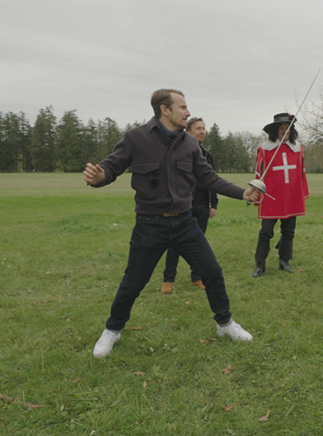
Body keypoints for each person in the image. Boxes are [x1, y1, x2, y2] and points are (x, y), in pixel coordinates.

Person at [84, 89, 260, 359]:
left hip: (185, 224)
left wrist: (243, 193)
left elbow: (209, 178)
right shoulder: (135, 138)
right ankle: (113, 330)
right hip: (149, 225)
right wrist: (98, 178)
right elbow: (110, 167)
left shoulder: (190, 144)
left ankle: (224, 324)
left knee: (212, 272)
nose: (188, 113)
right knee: (133, 282)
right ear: (164, 110)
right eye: (183, 107)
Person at [160, 116, 218, 294]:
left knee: (198, 245)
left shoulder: (207, 155)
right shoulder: (177, 151)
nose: (201, 131)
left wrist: (213, 204)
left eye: (203, 128)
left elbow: (213, 181)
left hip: (202, 206)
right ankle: (168, 280)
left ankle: (196, 277)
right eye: (197, 128)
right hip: (181, 206)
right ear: (188, 131)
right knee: (174, 243)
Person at [252, 113, 309, 278]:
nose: (285, 131)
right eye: (282, 129)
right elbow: (259, 174)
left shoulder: (297, 149)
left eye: (288, 128)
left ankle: (284, 261)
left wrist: (301, 194)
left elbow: (301, 174)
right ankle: (260, 264)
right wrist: (256, 193)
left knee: (289, 231)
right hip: (271, 198)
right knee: (266, 232)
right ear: (275, 131)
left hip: (291, 197)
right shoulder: (265, 150)